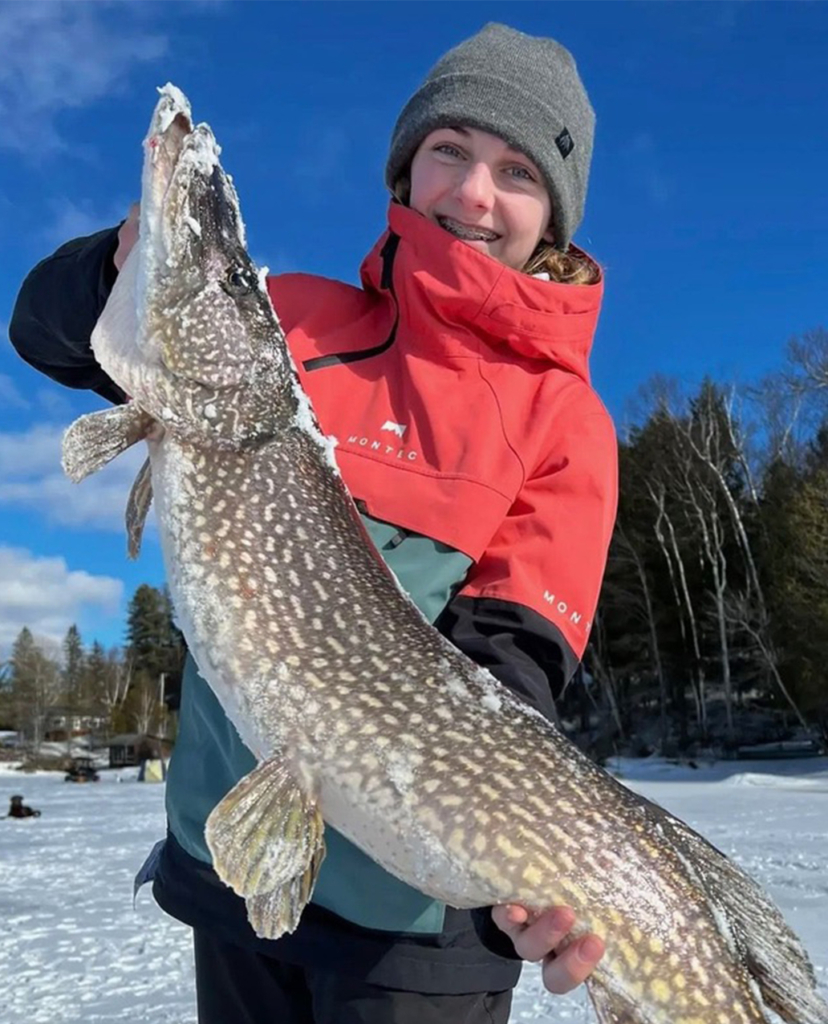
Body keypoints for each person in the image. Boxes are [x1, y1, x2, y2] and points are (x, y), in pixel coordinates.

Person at [10, 22, 617, 1024]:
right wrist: (121, 262)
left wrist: (525, 844)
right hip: (235, 877)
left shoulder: (565, 423)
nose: (473, 193)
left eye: (516, 170)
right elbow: (43, 330)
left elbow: (513, 667)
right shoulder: (287, 324)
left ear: (552, 212)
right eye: (450, 150)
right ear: (407, 167)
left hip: (415, 938)